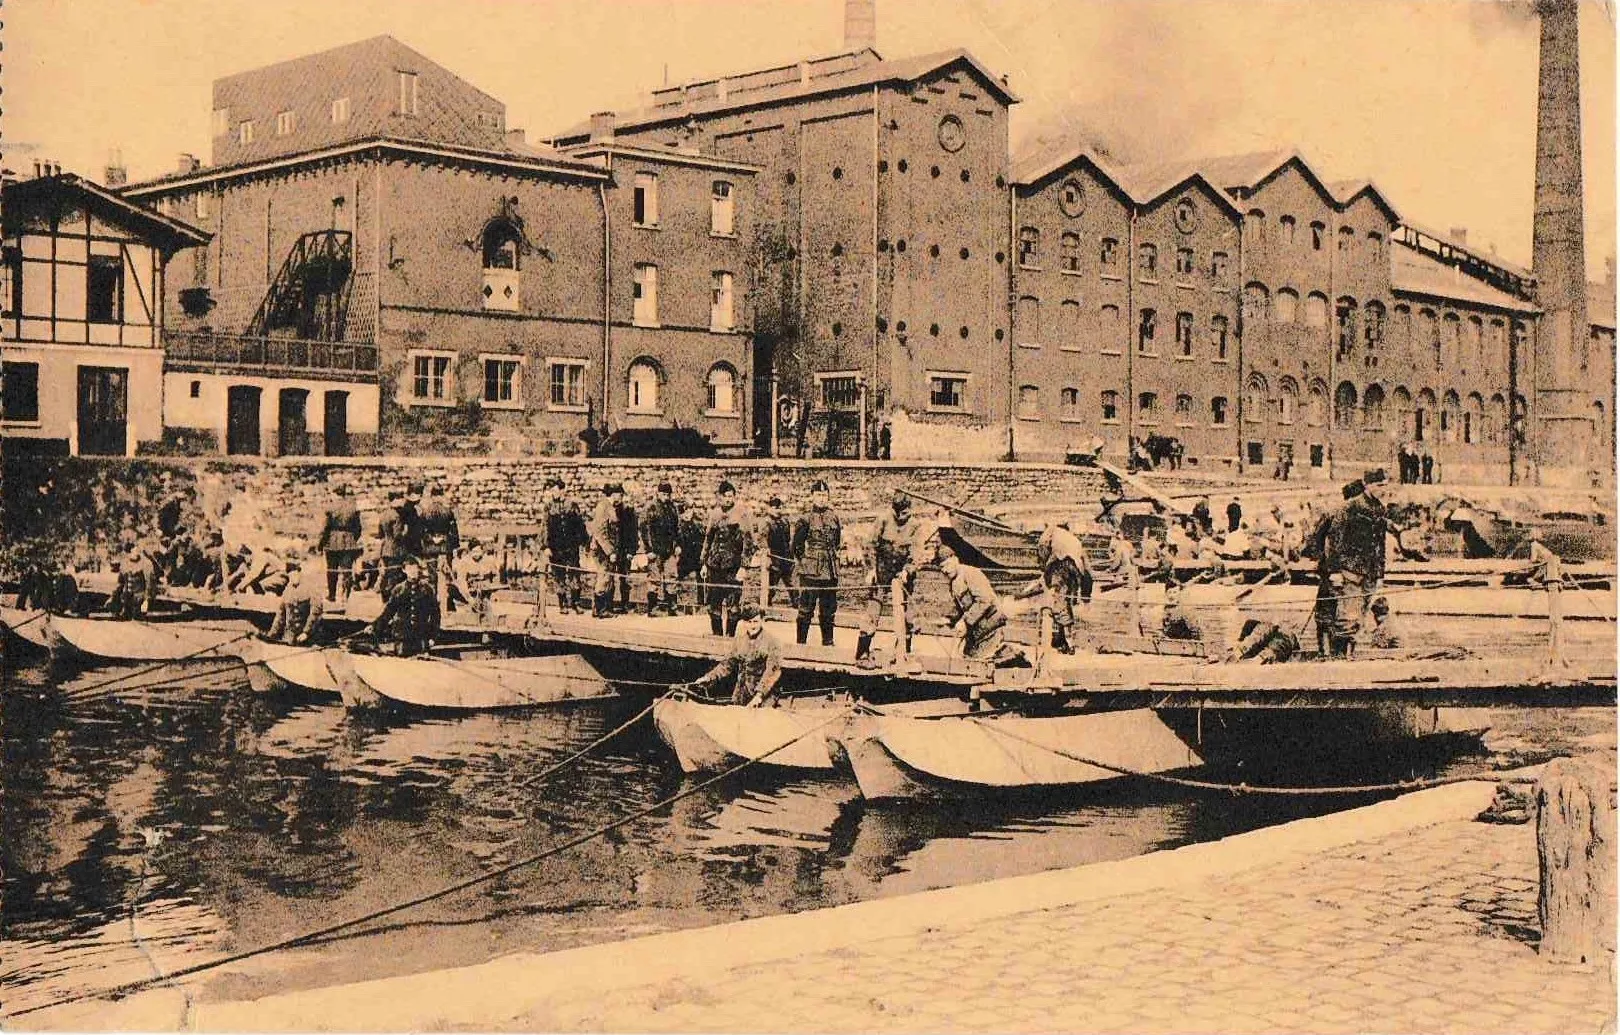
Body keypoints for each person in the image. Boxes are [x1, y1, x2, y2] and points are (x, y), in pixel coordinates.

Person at [1306, 470, 1389, 658]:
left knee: (1359, 617)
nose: (1382, 490)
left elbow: (1380, 545)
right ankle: (1339, 658)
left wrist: (1380, 575)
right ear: (1367, 485)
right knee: (1346, 618)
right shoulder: (1350, 507)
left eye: (1384, 485)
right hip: (1349, 571)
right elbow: (1334, 539)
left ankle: (1347, 656)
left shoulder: (1380, 509)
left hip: (1370, 573)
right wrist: (1334, 570)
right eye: (1378, 485)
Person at [859, 491, 926, 662]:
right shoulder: (883, 520)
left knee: (907, 614)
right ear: (894, 511)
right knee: (872, 612)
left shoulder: (915, 526)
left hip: (903, 573)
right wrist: (871, 569)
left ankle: (904, 652)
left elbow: (917, 552)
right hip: (882, 570)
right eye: (902, 513)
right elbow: (870, 545)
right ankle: (862, 651)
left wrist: (907, 570)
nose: (905, 516)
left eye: (907, 512)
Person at [678, 604, 784, 706]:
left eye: (756, 621)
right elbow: (727, 664)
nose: (753, 625)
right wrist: (709, 677)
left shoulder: (772, 642)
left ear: (762, 620)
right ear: (744, 623)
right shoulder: (740, 641)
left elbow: (772, 671)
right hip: (742, 692)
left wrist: (759, 695)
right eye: (749, 622)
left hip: (766, 693)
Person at [1015, 521, 1092, 655]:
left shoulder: (1051, 531)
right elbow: (1087, 569)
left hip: (1060, 566)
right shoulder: (1074, 539)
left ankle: (1068, 643)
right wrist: (1085, 595)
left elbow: (1042, 547)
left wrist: (1044, 568)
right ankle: (1063, 640)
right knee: (1065, 602)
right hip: (1075, 571)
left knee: (1058, 602)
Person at [935, 544, 1015, 663]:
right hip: (976, 628)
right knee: (969, 658)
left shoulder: (971, 573)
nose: (945, 570)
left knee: (983, 661)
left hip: (990, 624)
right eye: (941, 568)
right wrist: (950, 620)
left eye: (946, 565)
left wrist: (965, 621)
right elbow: (961, 609)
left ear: (955, 559)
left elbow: (984, 600)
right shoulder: (953, 583)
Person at [791, 480, 841, 647]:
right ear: (812, 496)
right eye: (818, 495)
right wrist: (807, 562)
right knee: (806, 608)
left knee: (828, 609)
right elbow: (797, 546)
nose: (821, 498)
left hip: (830, 570)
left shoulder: (834, 517)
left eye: (824, 495)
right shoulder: (805, 518)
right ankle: (800, 643)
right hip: (811, 571)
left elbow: (837, 542)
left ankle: (828, 641)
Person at [700, 480, 752, 637]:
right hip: (715, 565)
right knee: (713, 606)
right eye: (725, 496)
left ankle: (730, 637)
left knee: (733, 606)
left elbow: (748, 542)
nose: (728, 499)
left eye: (731, 496)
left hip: (733, 567)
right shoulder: (714, 514)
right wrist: (704, 563)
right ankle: (717, 636)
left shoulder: (741, 514)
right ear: (720, 498)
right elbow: (708, 539)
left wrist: (744, 566)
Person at [370, 555, 440, 657]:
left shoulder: (427, 590)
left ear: (418, 569)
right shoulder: (398, 590)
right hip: (402, 638)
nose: (412, 571)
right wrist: (374, 626)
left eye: (415, 568)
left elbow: (435, 616)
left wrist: (433, 637)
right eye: (409, 568)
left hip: (420, 638)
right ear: (404, 570)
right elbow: (388, 612)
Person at [540, 478, 585, 614]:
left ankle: (576, 603)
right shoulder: (548, 506)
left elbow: (580, 525)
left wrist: (583, 542)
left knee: (574, 574)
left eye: (555, 490)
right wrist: (546, 546)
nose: (553, 493)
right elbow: (545, 527)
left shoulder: (572, 505)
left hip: (571, 547)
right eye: (551, 491)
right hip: (556, 547)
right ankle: (563, 604)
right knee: (558, 576)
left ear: (562, 490)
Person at [418, 482, 462, 611]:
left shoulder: (425, 513)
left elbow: (421, 532)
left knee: (432, 577)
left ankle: (432, 603)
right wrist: (445, 540)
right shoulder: (448, 512)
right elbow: (454, 533)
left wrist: (431, 539)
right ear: (441, 495)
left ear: (431, 496)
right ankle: (447, 603)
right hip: (445, 547)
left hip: (430, 548)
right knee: (447, 575)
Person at [641, 482, 683, 616]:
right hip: (655, 550)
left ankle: (672, 607)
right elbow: (644, 529)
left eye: (668, 494)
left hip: (669, 549)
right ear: (658, 494)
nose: (666, 497)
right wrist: (649, 550)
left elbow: (677, 528)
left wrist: (677, 545)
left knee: (672, 577)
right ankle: (653, 608)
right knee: (654, 579)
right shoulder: (651, 507)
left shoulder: (672, 508)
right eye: (663, 494)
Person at [319, 483, 363, 605]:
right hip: (349, 542)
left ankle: (332, 595)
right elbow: (358, 528)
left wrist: (320, 543)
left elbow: (325, 528)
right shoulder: (353, 507)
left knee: (332, 570)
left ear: (335, 493)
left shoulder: (330, 507)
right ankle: (346, 596)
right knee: (347, 571)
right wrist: (352, 538)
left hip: (332, 542)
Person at [268, 554, 325, 645]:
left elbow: (316, 612)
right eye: (290, 575)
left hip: (306, 636)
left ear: (299, 572)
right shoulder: (287, 591)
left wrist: (306, 632)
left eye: (295, 573)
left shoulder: (311, 588)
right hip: (289, 635)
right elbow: (280, 615)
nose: (293, 577)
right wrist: (271, 634)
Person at [377, 487, 423, 599]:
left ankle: (385, 595)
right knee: (395, 575)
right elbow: (398, 535)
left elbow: (380, 533)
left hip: (385, 548)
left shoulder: (383, 514)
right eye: (400, 498)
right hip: (396, 549)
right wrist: (406, 532)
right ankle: (391, 597)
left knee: (387, 573)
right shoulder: (397, 516)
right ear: (395, 499)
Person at [585, 484, 623, 618]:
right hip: (602, 550)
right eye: (620, 494)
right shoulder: (603, 507)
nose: (621, 497)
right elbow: (600, 532)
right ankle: (600, 610)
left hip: (607, 549)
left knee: (608, 577)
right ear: (613, 494)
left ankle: (604, 608)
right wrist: (610, 551)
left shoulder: (610, 507)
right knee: (604, 577)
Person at [762, 496, 795, 607]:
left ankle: (796, 602)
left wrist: (790, 556)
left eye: (779, 508)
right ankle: (766, 603)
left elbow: (788, 539)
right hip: (774, 556)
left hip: (785, 556)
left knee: (789, 581)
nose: (778, 510)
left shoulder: (785, 522)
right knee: (772, 582)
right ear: (770, 509)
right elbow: (763, 539)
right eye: (775, 508)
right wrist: (768, 556)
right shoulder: (767, 523)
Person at [614, 484, 641, 613]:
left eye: (621, 495)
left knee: (624, 577)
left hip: (625, 550)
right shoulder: (612, 510)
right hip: (614, 549)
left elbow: (633, 533)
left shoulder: (630, 512)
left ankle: (625, 603)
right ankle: (610, 603)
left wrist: (631, 551)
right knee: (610, 576)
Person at [108, 546, 153, 621]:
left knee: (137, 606)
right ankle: (125, 610)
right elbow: (121, 581)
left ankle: (135, 611)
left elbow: (148, 581)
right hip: (127, 591)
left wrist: (147, 595)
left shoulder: (145, 564)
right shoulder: (125, 564)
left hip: (139, 592)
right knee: (125, 600)